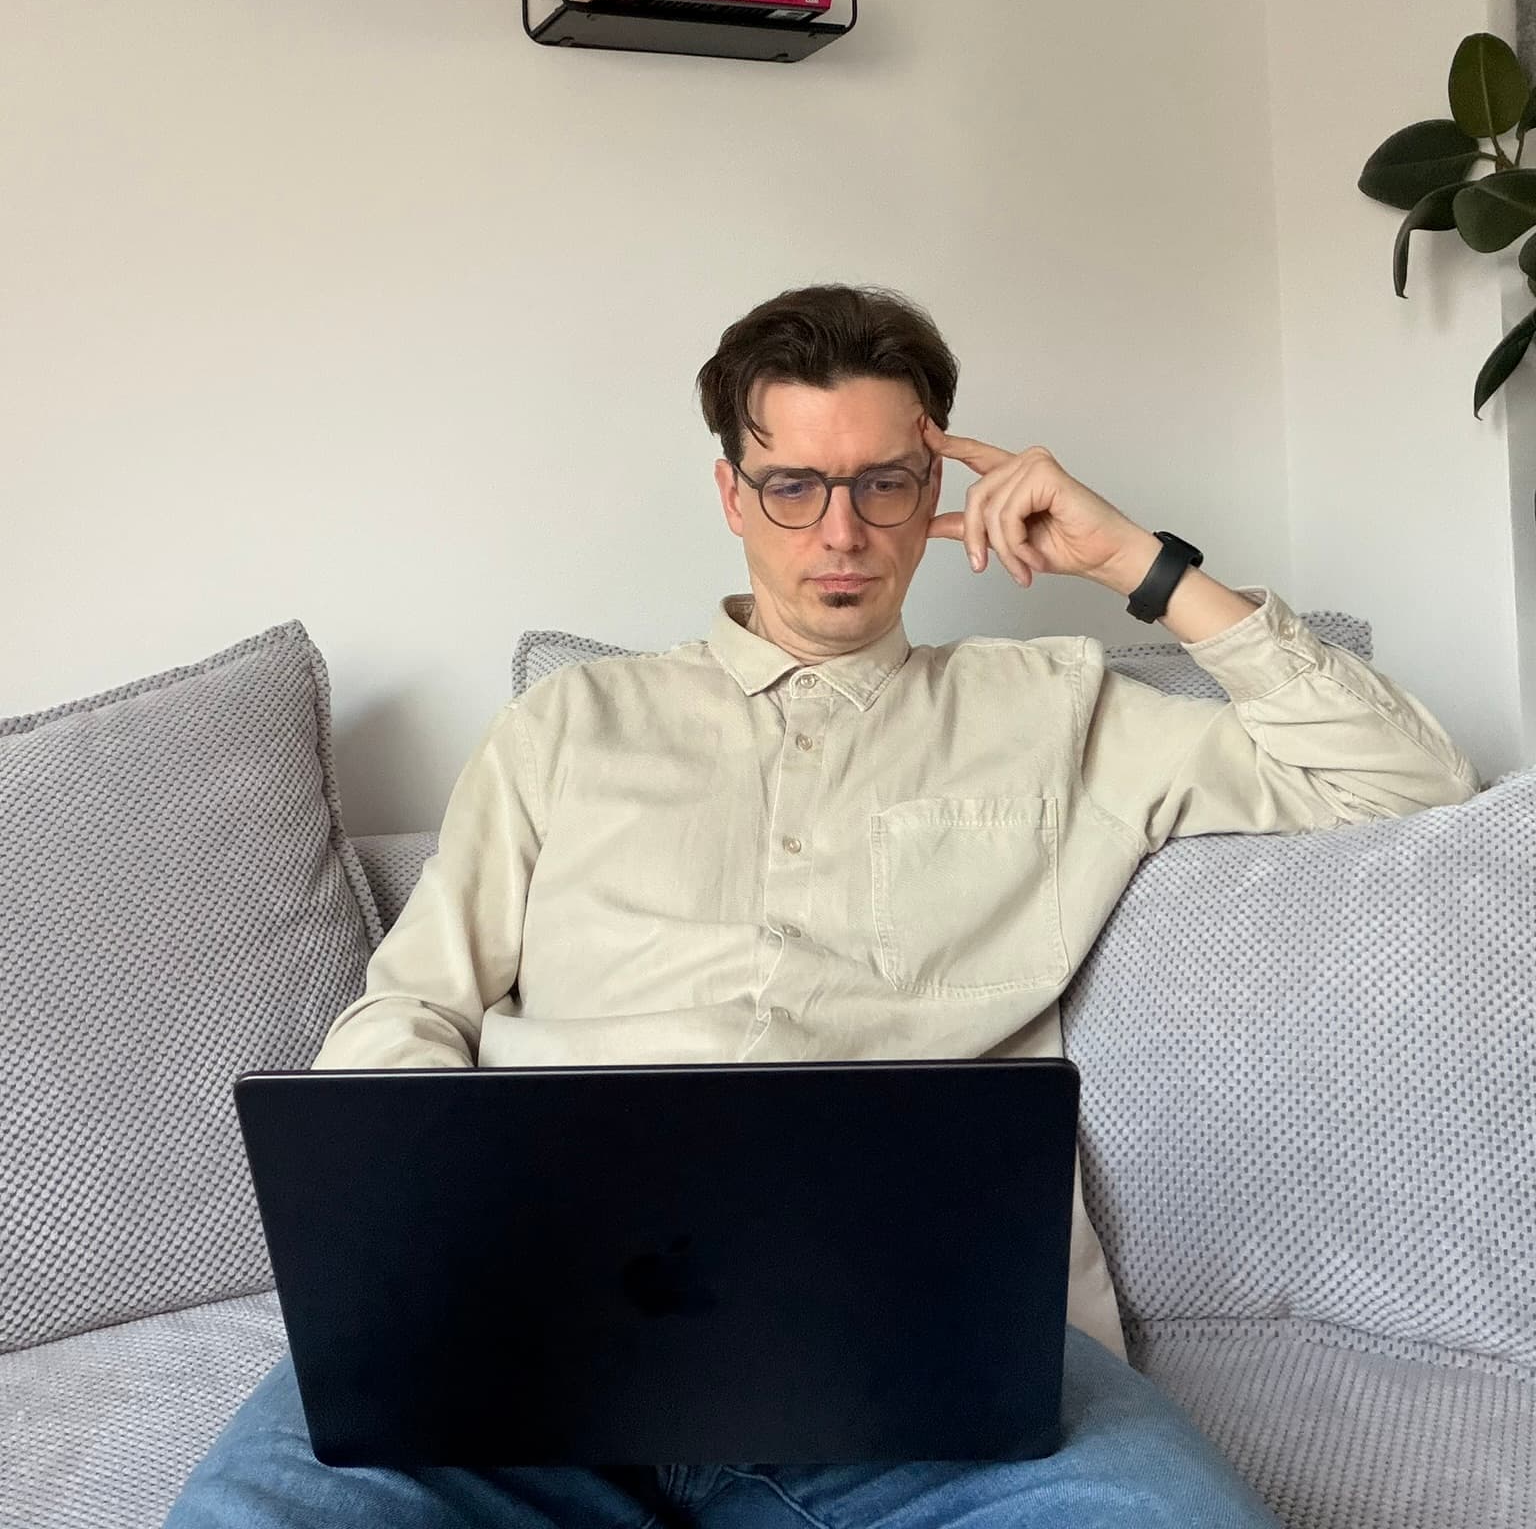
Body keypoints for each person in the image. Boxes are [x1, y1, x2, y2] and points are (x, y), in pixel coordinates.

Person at [167, 283, 1479, 1529]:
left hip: (911, 1337)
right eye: (793, 485)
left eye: (882, 483)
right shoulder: (571, 723)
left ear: (936, 489)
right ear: (731, 494)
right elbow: (416, 1002)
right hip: (530, 1311)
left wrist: (1138, 562)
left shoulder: (1056, 708)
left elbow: (1405, 781)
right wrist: (406, 1245)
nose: (840, 535)